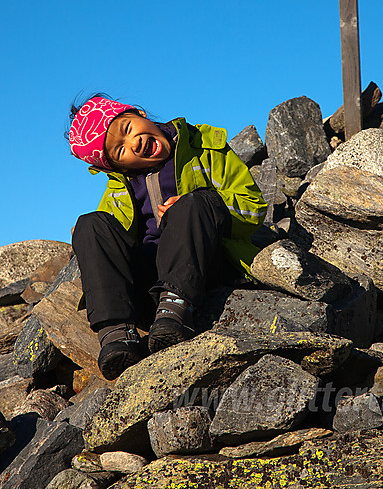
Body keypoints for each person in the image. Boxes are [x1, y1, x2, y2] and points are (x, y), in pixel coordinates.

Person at [67, 94, 267, 379]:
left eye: (127, 129)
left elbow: (252, 208)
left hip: (205, 270)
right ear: (118, 168)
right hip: (151, 292)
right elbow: (110, 255)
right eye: (120, 151)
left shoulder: (205, 148)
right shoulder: (119, 189)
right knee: (90, 225)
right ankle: (117, 335)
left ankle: (175, 313)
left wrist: (201, 204)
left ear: (139, 113)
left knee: (194, 203)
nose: (132, 142)